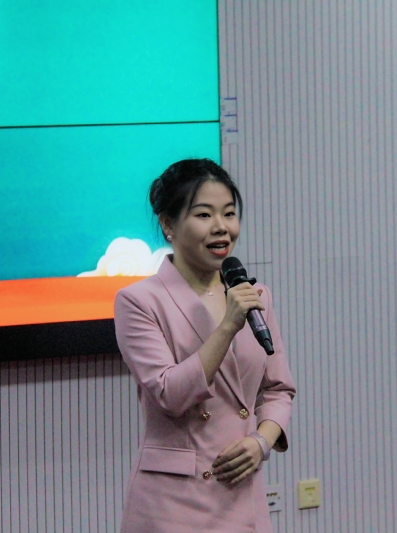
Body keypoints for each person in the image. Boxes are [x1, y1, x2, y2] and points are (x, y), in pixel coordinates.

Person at [114, 159, 296, 533]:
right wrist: (228, 325)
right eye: (203, 215)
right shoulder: (139, 301)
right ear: (168, 224)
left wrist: (261, 442)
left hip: (241, 495)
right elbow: (170, 394)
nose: (221, 227)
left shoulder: (255, 295)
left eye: (229, 213)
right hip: (173, 504)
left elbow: (278, 389)